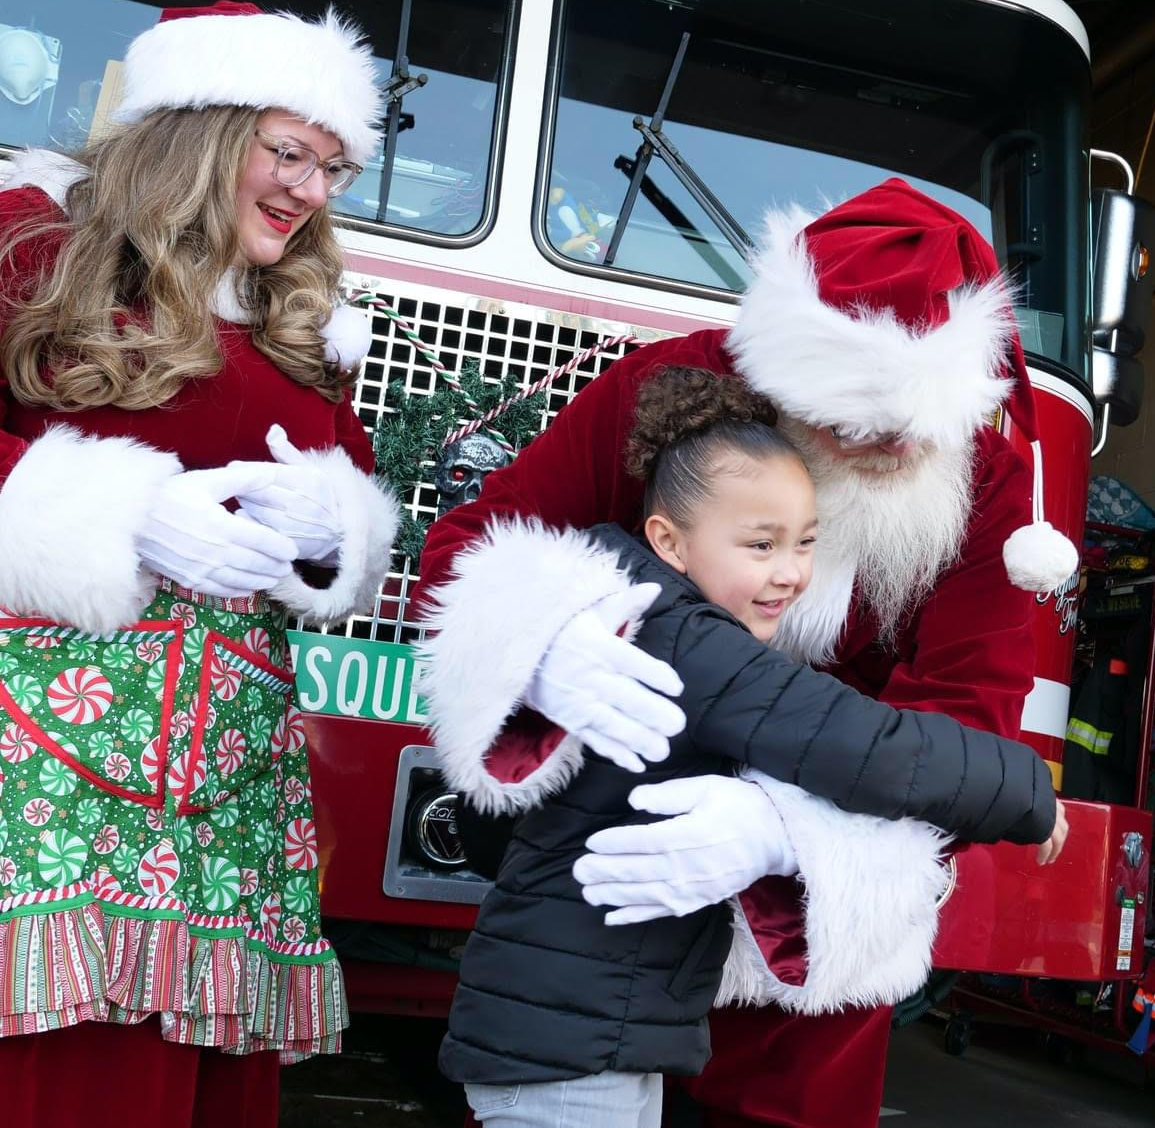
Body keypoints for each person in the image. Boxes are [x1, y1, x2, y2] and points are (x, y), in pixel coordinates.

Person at [0, 0, 399, 1128]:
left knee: (149, 1040)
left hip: (211, 765)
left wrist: (329, 521)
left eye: (334, 167)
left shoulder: (301, 309)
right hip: (10, 724)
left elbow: (343, 477)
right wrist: (131, 512)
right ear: (198, 129)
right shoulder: (29, 237)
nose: (310, 192)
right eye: (287, 152)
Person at [413, 178, 1078, 1128]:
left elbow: (965, 713)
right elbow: (471, 550)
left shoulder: (992, 485)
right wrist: (548, 644)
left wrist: (781, 832)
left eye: (907, 429)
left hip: (826, 891)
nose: (880, 448)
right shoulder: (673, 392)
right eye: (845, 422)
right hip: (621, 855)